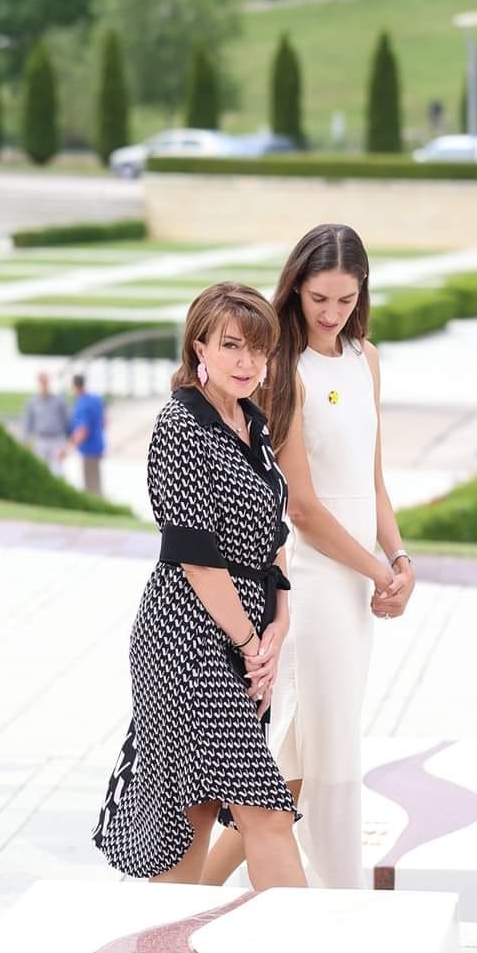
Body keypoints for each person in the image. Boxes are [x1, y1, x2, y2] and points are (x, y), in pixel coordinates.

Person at [202, 223, 415, 891]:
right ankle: (336, 897)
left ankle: (187, 892)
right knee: (322, 755)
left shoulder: (366, 359)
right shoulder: (283, 368)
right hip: (316, 582)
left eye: (345, 300)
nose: (330, 313)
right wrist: (378, 571)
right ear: (295, 288)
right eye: (318, 297)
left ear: (361, 296)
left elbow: (371, 478)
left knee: (296, 759)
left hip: (358, 583)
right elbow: (304, 507)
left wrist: (400, 558)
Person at [92, 282, 307, 890]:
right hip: (186, 640)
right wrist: (249, 643)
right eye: (232, 346)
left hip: (246, 635)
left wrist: (279, 621)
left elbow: (275, 531)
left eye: (259, 351)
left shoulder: (254, 423)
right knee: (262, 811)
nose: (248, 363)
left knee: (198, 812)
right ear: (199, 348)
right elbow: (197, 557)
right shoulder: (180, 425)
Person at [64, 373, 106, 495]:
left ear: (74, 386)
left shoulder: (82, 404)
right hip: (98, 445)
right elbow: (104, 421)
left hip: (89, 449)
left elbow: (83, 431)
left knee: (91, 487)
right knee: (96, 481)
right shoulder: (96, 399)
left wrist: (67, 449)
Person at [23, 371, 69, 476]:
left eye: (45, 381)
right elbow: (27, 424)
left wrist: (66, 445)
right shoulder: (32, 402)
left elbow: (66, 422)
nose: (44, 384)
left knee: (58, 472)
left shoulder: (59, 400)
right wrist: (26, 442)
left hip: (57, 440)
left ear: (49, 382)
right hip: (40, 440)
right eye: (41, 381)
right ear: (38, 383)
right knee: (39, 471)